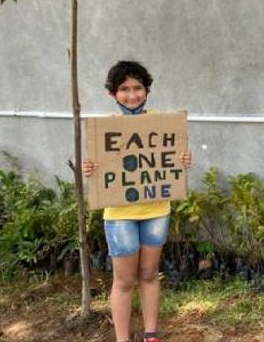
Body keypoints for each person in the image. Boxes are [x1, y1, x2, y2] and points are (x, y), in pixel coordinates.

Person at [82, 61, 191, 342]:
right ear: (113, 94)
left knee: (150, 274)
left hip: (156, 210)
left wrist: (182, 161)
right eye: (125, 89)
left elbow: (169, 161)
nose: (132, 95)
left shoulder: (161, 125)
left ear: (147, 90)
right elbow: (101, 168)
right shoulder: (104, 130)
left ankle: (151, 335)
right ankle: (122, 339)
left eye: (138, 88)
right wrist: (91, 170)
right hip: (120, 215)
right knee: (124, 280)